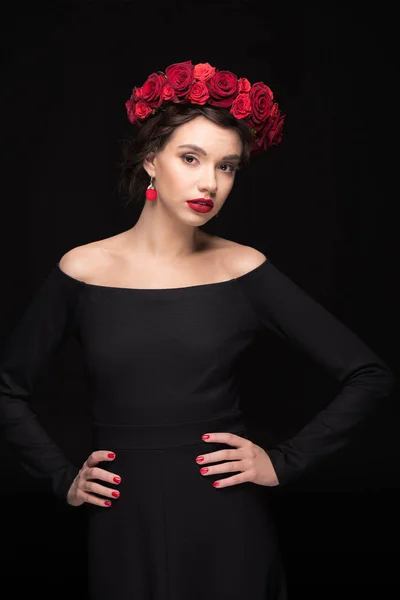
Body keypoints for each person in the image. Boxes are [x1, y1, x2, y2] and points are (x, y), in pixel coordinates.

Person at [0, 59, 395, 599]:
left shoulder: (245, 269)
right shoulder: (82, 270)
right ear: (149, 159)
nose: (210, 182)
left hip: (226, 516)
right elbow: (7, 388)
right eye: (191, 157)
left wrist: (283, 463)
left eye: (227, 166)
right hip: (121, 522)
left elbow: (369, 374)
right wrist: (59, 476)